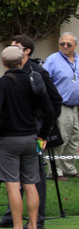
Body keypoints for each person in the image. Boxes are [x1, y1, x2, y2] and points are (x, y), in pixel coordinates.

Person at [0, 35, 58, 229]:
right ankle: (33, 227)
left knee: (12, 185)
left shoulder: (1, 83)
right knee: (31, 183)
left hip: (10, 138)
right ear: (21, 60)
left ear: (3, 62)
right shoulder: (33, 79)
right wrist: (43, 134)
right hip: (31, 138)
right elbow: (50, 110)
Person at [42, 31, 79, 180]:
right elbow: (44, 81)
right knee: (59, 139)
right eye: (62, 44)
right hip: (60, 106)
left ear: (75, 45)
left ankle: (69, 168)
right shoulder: (52, 60)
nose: (64, 46)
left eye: (68, 44)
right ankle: (54, 171)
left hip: (74, 106)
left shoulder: (77, 60)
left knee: (73, 138)